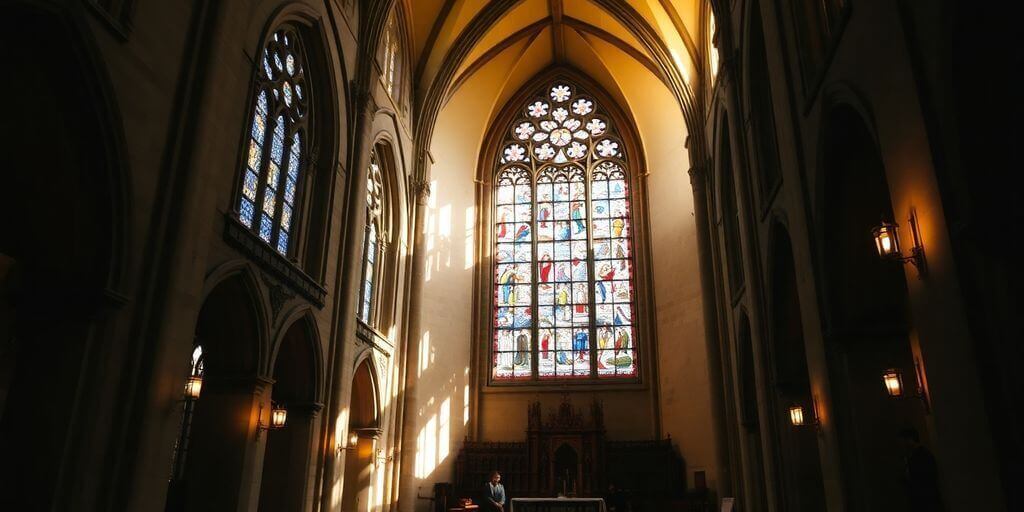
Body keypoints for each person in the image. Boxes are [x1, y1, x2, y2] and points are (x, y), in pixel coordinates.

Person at [898, 427, 943, 512]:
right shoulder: (917, 456)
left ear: (910, 439)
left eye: (903, 441)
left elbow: (926, 480)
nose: (901, 445)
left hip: (926, 503)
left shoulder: (921, 456)